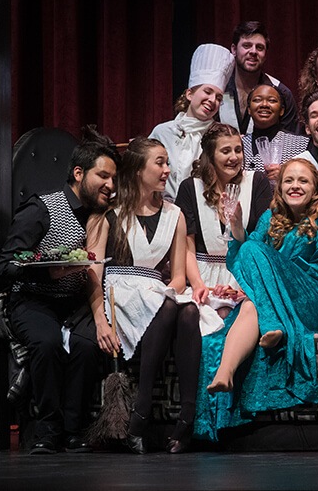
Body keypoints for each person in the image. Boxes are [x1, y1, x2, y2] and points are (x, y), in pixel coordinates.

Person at [194, 158, 318, 441]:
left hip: (311, 297)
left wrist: (277, 273)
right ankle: (225, 371)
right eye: (289, 180)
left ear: (316, 188)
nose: (295, 186)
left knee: (254, 255)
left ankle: (271, 322)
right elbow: (245, 257)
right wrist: (236, 225)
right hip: (271, 300)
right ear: (280, 187)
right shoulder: (269, 218)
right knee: (250, 299)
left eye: (303, 181)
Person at [0, 126, 119, 455]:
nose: (110, 185)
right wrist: (47, 271)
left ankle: (73, 429)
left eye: (113, 179)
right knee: (47, 343)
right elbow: (6, 264)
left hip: (75, 302)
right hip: (33, 298)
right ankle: (46, 428)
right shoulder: (43, 208)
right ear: (79, 173)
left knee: (87, 346)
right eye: (103, 176)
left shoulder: (101, 217)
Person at [85, 137, 202, 455]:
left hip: (157, 291)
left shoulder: (175, 215)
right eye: (159, 163)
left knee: (189, 312)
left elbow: (178, 277)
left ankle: (187, 417)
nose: (167, 170)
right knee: (170, 307)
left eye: (168, 163)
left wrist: (165, 292)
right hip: (120, 293)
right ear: (138, 169)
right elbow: (93, 272)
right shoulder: (108, 215)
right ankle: (143, 407)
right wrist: (100, 320)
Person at [175, 123, 272, 316]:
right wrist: (198, 285)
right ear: (210, 155)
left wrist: (243, 285)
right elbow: (187, 245)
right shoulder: (190, 188)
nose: (234, 157)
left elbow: (263, 242)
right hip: (201, 276)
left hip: (244, 275)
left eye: (238, 150)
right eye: (226, 151)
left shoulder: (257, 182)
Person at [149, 43, 235, 201]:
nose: (212, 100)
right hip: (162, 209)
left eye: (218, 97)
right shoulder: (162, 132)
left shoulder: (220, 137)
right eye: (207, 92)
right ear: (190, 94)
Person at [220, 21, 301, 135]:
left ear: (265, 54)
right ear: (234, 50)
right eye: (247, 46)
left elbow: (292, 140)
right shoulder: (218, 88)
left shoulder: (282, 93)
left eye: (259, 47)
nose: (253, 51)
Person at [240, 84, 309, 180]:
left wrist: (286, 176)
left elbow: (310, 179)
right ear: (249, 110)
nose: (264, 104)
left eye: (272, 100)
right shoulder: (239, 144)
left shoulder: (301, 145)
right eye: (257, 100)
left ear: (281, 110)